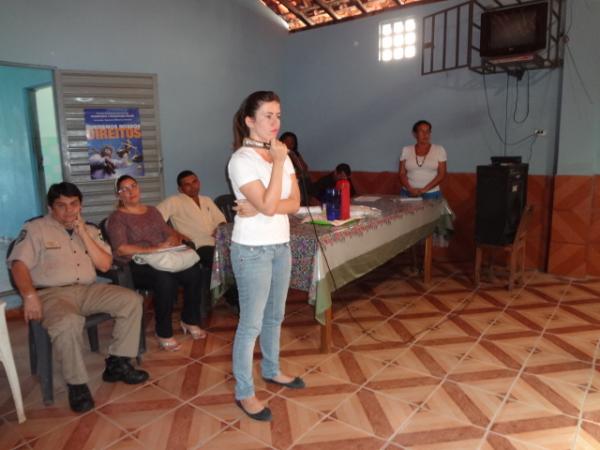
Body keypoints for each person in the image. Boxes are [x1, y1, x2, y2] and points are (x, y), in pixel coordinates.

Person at [8, 182, 149, 413]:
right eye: (61, 206)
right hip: (52, 294)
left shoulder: (90, 230)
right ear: (50, 207)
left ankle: (117, 362)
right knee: (67, 322)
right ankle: (77, 384)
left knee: (131, 300)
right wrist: (29, 295)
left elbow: (104, 264)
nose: (69, 211)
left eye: (74, 204)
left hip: (88, 290)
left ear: (80, 205)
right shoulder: (35, 229)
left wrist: (83, 232)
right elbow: (18, 265)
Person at [228, 90, 305, 422]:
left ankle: (272, 368)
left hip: (281, 245)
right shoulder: (240, 160)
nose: (275, 122)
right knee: (251, 324)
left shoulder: (282, 155)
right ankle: (244, 391)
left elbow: (294, 203)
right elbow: (275, 204)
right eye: (267, 116)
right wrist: (274, 168)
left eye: (278, 116)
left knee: (276, 316)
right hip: (252, 251)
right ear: (249, 120)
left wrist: (262, 206)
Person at [106, 175, 205, 352]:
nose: (131, 192)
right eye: (125, 189)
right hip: (135, 264)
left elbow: (168, 232)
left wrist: (174, 239)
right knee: (165, 280)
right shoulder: (117, 218)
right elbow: (121, 249)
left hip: (161, 258)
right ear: (118, 195)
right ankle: (163, 332)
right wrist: (153, 249)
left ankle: (190, 320)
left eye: (133, 186)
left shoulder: (152, 211)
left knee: (193, 272)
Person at [156, 170, 226, 317]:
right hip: (197, 246)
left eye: (194, 182)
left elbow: (221, 219)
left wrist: (219, 228)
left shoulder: (206, 200)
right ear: (180, 189)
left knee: (240, 259)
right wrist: (175, 233)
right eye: (187, 185)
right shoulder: (174, 201)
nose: (192, 187)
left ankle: (235, 298)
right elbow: (155, 219)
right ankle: (232, 299)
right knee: (222, 260)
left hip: (216, 242)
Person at [399, 120, 447, 199]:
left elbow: (442, 174)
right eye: (421, 131)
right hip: (408, 193)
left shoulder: (439, 149)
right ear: (415, 134)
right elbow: (402, 173)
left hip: (431, 193)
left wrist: (424, 190)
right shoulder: (406, 150)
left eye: (428, 131)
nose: (425, 134)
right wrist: (410, 189)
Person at [279, 131, 312, 206]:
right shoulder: (277, 153)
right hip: (282, 179)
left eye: (292, 143)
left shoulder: (295, 154)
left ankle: (304, 204)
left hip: (295, 179)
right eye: (286, 142)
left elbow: (304, 168)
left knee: (305, 179)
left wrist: (294, 156)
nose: (289, 145)